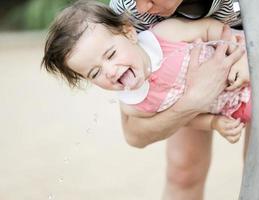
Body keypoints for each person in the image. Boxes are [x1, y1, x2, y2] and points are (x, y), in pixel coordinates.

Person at [42, 1, 246, 200]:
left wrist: (244, 59)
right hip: (229, 108)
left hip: (247, 65)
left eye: (111, 55)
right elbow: (138, 134)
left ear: (130, 33)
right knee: (183, 170)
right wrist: (210, 119)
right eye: (95, 73)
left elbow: (212, 30)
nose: (111, 72)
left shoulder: (166, 36)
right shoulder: (136, 102)